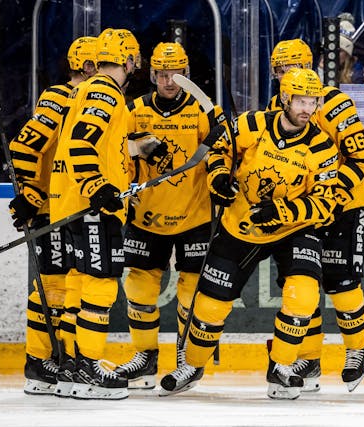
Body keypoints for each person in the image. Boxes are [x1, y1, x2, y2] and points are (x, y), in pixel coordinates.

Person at [159, 67, 342, 400]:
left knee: (304, 296)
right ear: (285, 98)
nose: (307, 109)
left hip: (293, 229)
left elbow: (325, 203)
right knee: (210, 307)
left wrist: (282, 212)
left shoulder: (323, 147)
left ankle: (281, 365)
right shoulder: (252, 124)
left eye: (312, 102)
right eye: (301, 101)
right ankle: (193, 365)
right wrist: (218, 178)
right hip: (240, 224)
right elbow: (220, 150)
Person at [112, 42, 227, 389]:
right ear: (152, 75)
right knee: (138, 287)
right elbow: (115, 150)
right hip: (147, 214)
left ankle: (185, 358)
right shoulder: (135, 110)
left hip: (195, 215)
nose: (168, 81)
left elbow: (224, 153)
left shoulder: (203, 111)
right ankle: (144, 356)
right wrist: (136, 147)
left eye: (175, 74)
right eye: (162, 74)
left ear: (186, 73)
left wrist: (223, 147)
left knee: (191, 291)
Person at [268, 38, 364, 393]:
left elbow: (362, 160)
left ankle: (356, 350)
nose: (286, 75)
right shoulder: (275, 106)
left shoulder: (335, 103)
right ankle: (309, 358)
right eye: (281, 70)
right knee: (304, 284)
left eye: (293, 67)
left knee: (342, 283)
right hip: (304, 213)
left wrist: (330, 198)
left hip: (345, 206)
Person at [48, 28, 141, 400]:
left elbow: (98, 145)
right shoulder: (105, 91)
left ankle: (71, 366)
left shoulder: (85, 89)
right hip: (92, 207)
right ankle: (89, 367)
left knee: (77, 285)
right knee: (100, 285)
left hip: (72, 203)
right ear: (129, 60)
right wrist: (98, 187)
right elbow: (80, 142)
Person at [7, 36, 98, 395]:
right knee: (53, 286)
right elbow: (23, 146)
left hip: (72, 206)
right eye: (98, 64)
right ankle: (38, 361)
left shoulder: (89, 100)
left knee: (72, 285)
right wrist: (31, 194)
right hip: (51, 208)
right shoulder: (60, 97)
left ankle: (63, 359)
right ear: (86, 66)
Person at [318, 13, 364, 84]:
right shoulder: (312, 66)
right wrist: (320, 72)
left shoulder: (357, 74)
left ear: (347, 55)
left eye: (339, 50)